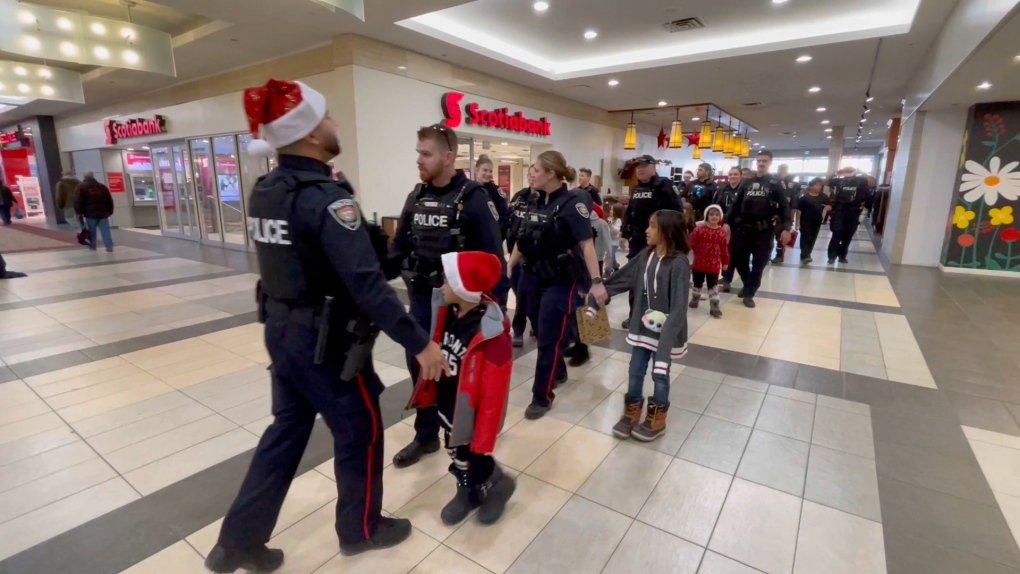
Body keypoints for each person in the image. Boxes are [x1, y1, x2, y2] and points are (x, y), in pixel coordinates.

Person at [204, 79, 449, 574]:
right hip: (325, 342)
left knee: (286, 432)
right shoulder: (325, 198)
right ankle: (361, 529)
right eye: (328, 116)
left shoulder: (269, 190)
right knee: (361, 427)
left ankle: (236, 543)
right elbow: (366, 285)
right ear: (312, 134)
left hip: (280, 329)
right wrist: (420, 343)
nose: (335, 123)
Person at [390, 124, 509, 469]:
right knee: (420, 366)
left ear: (448, 156)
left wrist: (494, 316)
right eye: (418, 153)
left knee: (456, 374)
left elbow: (494, 261)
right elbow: (397, 250)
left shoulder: (473, 199)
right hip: (421, 300)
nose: (419, 160)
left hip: (459, 309)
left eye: (425, 154)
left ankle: (463, 441)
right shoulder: (416, 196)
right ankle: (425, 435)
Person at [408, 251, 515, 526]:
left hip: (471, 413)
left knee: (471, 453)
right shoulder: (448, 312)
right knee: (455, 450)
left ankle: (495, 484)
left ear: (463, 288)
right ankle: (467, 489)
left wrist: (485, 431)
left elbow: (494, 394)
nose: (441, 285)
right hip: (448, 403)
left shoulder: (491, 336)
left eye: (446, 280)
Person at [508, 150, 607, 420]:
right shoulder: (532, 200)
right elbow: (521, 238)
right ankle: (559, 372)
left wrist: (597, 282)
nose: (531, 173)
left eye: (536, 169)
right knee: (539, 330)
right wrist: (508, 268)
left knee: (549, 338)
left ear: (551, 173)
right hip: (531, 277)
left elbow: (587, 245)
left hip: (560, 281)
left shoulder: (572, 203)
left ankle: (541, 396)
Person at [602, 210, 690, 441]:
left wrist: (663, 349)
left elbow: (679, 307)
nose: (646, 230)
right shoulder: (645, 255)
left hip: (667, 333)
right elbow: (624, 277)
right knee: (635, 370)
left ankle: (657, 418)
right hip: (643, 328)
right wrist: (600, 292)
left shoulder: (679, 263)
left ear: (667, 231)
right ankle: (632, 412)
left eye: (652, 226)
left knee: (660, 374)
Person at [620, 155, 681, 328]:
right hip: (639, 240)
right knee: (636, 278)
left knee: (658, 279)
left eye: (644, 166)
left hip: (661, 241)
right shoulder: (636, 188)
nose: (640, 169)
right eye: (638, 166)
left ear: (654, 167)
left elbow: (677, 213)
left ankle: (658, 315)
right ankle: (634, 315)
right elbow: (630, 212)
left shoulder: (664, 185)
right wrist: (625, 232)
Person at [726, 150, 792, 308]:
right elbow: (735, 205)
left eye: (765, 161)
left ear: (770, 163)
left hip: (764, 230)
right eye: (759, 160)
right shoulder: (747, 183)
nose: (761, 163)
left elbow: (784, 207)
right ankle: (748, 285)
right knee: (738, 259)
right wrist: (727, 222)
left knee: (759, 263)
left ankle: (749, 293)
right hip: (743, 228)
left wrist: (787, 228)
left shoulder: (775, 184)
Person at [506, 166, 537, 347]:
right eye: (530, 175)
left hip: (532, 258)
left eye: (535, 175)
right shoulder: (520, 196)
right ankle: (521, 327)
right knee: (519, 294)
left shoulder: (544, 200)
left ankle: (526, 327)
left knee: (528, 296)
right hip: (514, 254)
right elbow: (509, 219)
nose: (532, 179)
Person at [689, 205, 730, 318]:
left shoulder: (722, 232)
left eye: (717, 215)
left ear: (720, 217)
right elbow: (692, 243)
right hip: (699, 264)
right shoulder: (699, 229)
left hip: (714, 265)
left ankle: (714, 304)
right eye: (711, 214)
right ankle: (695, 297)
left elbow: (724, 249)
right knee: (697, 283)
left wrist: (725, 262)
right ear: (706, 216)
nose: (714, 217)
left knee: (713, 285)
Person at [827, 167, 872, 265]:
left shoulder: (861, 181)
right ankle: (831, 257)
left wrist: (862, 172)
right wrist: (835, 172)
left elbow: (873, 182)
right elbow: (828, 181)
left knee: (847, 236)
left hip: (854, 212)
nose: (847, 178)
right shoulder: (839, 181)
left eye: (849, 175)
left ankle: (842, 256)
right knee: (836, 235)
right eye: (845, 175)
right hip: (839, 211)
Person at [74, 171, 115, 252]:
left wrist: (79, 212)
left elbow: (78, 201)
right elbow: (109, 200)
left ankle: (93, 246)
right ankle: (109, 247)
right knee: (105, 230)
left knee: (92, 231)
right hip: (103, 213)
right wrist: (110, 211)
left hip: (90, 214)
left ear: (84, 177)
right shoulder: (102, 187)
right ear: (93, 177)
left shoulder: (81, 187)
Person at [795, 178, 830, 264]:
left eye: (820, 185)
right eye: (817, 185)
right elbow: (799, 211)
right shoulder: (804, 198)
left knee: (812, 238)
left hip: (817, 221)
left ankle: (807, 254)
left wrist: (829, 207)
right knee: (805, 238)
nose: (819, 187)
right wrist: (797, 223)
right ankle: (804, 255)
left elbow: (829, 205)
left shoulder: (824, 196)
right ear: (811, 186)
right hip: (805, 221)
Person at [475, 155, 510, 240]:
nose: (488, 174)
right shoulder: (469, 189)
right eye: (485, 170)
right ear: (476, 170)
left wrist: (496, 238)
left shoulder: (496, 192)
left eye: (490, 171)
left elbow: (504, 218)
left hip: (490, 238)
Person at [771, 164, 800, 264]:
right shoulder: (773, 180)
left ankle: (779, 255)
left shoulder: (792, 184)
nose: (780, 171)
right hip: (771, 211)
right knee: (768, 235)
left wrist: (791, 220)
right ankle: (767, 253)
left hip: (783, 213)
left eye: (782, 169)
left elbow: (793, 201)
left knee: (780, 235)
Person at [607, 204, 625, 275]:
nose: (610, 211)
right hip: (609, 240)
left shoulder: (618, 220)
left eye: (612, 209)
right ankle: (616, 266)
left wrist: (610, 225)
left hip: (615, 241)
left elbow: (615, 231)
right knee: (612, 255)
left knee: (611, 254)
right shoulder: (610, 219)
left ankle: (608, 269)